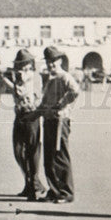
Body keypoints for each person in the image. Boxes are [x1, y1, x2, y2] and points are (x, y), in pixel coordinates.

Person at [0, 49, 46, 200]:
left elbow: (19, 92)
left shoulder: (34, 76)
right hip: (19, 114)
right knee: (18, 151)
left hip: (31, 115)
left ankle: (34, 185)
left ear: (30, 64)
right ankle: (29, 182)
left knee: (32, 151)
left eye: (25, 64)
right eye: (20, 65)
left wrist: (5, 79)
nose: (22, 67)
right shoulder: (19, 75)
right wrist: (6, 75)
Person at [38, 46, 79, 203]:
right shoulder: (50, 77)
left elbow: (75, 92)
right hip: (48, 120)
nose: (51, 64)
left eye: (53, 61)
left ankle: (66, 192)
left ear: (60, 61)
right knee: (49, 157)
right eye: (48, 62)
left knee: (60, 156)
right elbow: (45, 100)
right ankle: (54, 191)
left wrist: (62, 104)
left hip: (60, 121)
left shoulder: (64, 76)